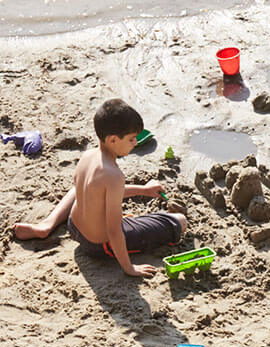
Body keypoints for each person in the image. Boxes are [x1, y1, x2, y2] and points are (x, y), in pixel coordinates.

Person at [12, 98, 187, 278]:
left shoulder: (88, 156)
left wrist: (143, 190)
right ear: (112, 139)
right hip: (97, 244)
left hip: (75, 226)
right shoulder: (114, 176)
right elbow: (114, 231)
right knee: (179, 221)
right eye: (131, 139)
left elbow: (103, 193)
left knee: (83, 186)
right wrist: (129, 268)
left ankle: (47, 224)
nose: (135, 143)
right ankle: (48, 226)